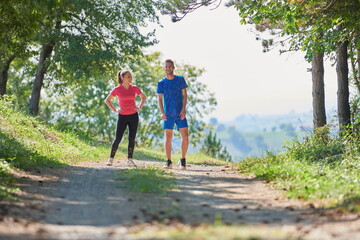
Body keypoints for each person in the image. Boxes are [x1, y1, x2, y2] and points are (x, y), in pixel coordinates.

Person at [104, 70, 146, 167]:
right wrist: (115, 110)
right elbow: (107, 100)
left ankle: (129, 160)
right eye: (128, 77)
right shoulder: (117, 89)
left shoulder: (134, 88)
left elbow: (143, 97)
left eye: (131, 76)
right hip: (122, 116)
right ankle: (111, 158)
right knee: (118, 138)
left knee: (132, 138)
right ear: (122, 78)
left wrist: (139, 107)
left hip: (133, 116)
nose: (130, 78)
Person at [157, 59, 189, 170]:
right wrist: (162, 112)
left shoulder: (180, 80)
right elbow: (159, 99)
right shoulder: (161, 83)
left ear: (173, 68)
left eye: (170, 66)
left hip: (180, 113)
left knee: (185, 135)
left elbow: (185, 95)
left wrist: (183, 109)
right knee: (168, 136)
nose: (168, 68)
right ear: (164, 68)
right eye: (166, 66)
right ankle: (168, 161)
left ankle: (182, 160)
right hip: (168, 114)